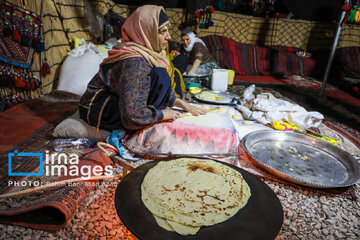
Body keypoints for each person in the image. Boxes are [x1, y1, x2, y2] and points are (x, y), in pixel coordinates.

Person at [79, 5, 206, 131]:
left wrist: (182, 104)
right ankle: (144, 122)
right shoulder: (134, 62)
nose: (169, 37)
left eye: (168, 30)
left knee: (160, 75)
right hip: (99, 110)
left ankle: (147, 117)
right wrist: (162, 114)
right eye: (162, 31)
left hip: (116, 102)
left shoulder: (145, 53)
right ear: (146, 31)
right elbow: (131, 116)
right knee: (161, 75)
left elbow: (152, 84)